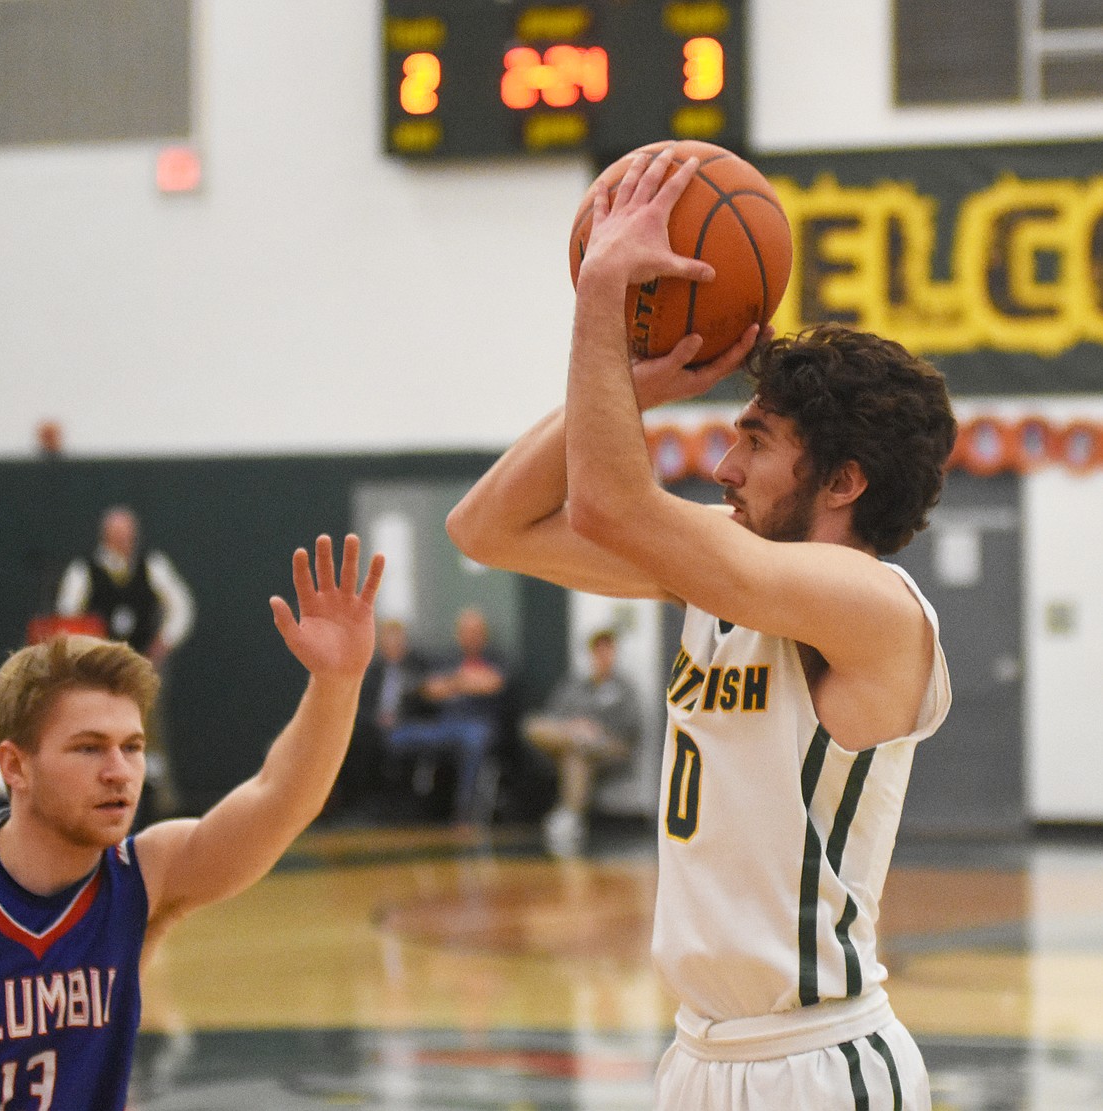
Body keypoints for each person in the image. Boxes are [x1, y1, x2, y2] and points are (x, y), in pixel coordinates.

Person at [446, 147, 956, 1110]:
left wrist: (604, 297)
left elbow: (609, 505)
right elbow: (486, 527)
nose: (722, 465)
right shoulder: (726, 568)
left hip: (819, 1061)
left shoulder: (878, 610)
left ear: (842, 480)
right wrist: (627, 385)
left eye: (754, 440)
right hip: (697, 1053)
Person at [0, 534, 383, 1109]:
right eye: (89, 748)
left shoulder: (142, 878)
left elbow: (280, 799)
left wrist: (338, 683)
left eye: (133, 746)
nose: (120, 772)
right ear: (15, 766)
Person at [55, 505, 195, 817]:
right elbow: (67, 619)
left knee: (149, 735)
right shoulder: (84, 570)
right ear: (105, 536)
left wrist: (162, 644)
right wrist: (92, 654)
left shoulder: (152, 565)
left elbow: (182, 607)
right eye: (118, 535)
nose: (125, 541)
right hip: (98, 676)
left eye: (129, 535)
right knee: (99, 734)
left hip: (143, 669)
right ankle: (94, 798)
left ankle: (156, 804)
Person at [386, 607, 509, 825]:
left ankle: (465, 813)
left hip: (479, 725)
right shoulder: (446, 658)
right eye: (465, 631)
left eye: (476, 632)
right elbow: (430, 689)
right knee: (397, 737)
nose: (470, 637)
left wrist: (453, 684)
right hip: (444, 724)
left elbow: (491, 683)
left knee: (473, 741)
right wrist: (464, 681)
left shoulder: (496, 658)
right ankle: (396, 809)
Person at [524, 627, 640, 857]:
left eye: (608, 650)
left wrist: (597, 729)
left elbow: (632, 729)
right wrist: (574, 728)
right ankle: (570, 816)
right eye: (598, 651)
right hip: (574, 742)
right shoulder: (574, 685)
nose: (603, 656)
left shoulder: (624, 689)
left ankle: (568, 816)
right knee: (541, 730)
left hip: (610, 746)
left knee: (581, 747)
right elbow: (553, 714)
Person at [334, 618, 429, 818]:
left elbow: (424, 702)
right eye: (389, 640)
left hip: (406, 727)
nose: (394, 645)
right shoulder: (373, 670)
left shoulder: (417, 666)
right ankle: (354, 804)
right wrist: (377, 720)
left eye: (398, 639)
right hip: (374, 727)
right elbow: (363, 704)